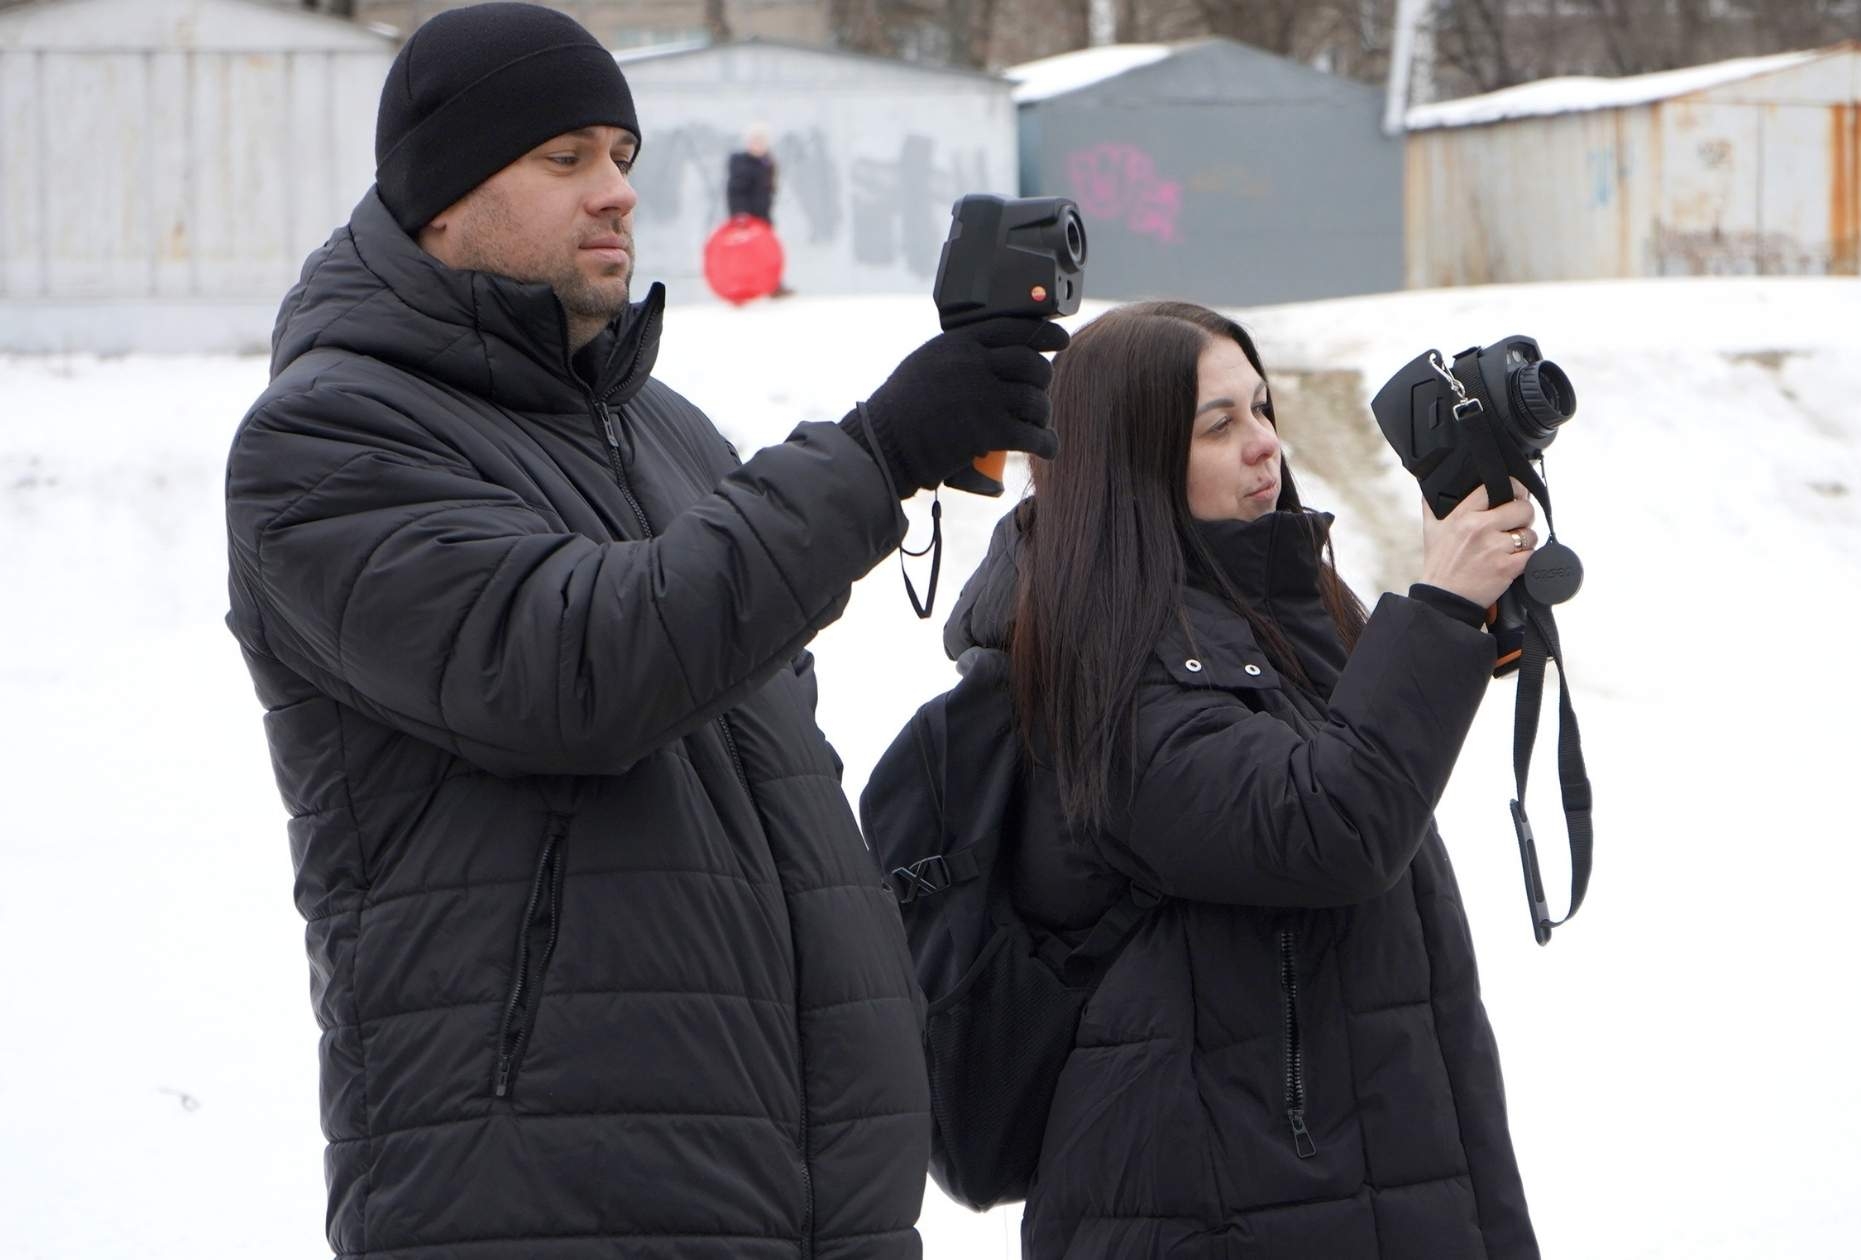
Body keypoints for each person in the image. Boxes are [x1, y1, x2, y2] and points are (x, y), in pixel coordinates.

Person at [221, 6, 1065, 1258]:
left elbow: (766, 764)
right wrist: (879, 455)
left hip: (802, 1191)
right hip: (541, 1192)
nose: (615, 192)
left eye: (621, 155)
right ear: (438, 199)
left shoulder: (664, 428)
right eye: (564, 160)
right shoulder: (325, 441)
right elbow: (574, 670)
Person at [934, 301, 1542, 1258]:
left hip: (1351, 1186)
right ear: (1125, 460)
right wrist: (1438, 607)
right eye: (1219, 426)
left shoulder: (1266, 616)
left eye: (1262, 409)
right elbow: (1330, 826)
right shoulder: (1095, 673)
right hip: (1215, 1208)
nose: (1266, 446)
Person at [727, 127, 778, 224]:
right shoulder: (740, 164)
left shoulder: (767, 164)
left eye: (762, 140)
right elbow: (736, 191)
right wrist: (740, 214)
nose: (758, 144)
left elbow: (768, 193)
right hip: (744, 220)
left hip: (762, 220)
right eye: (755, 140)